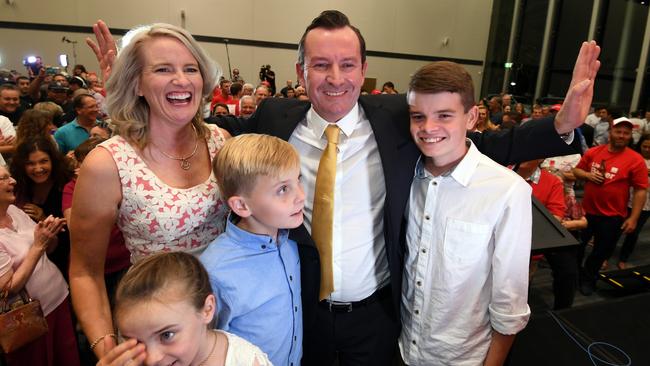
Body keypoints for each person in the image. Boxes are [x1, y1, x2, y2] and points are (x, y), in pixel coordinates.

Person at [89, 10, 601, 365]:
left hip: (378, 311)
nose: (335, 77)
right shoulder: (271, 117)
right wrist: (130, 94)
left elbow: (482, 140)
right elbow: (192, 136)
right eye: (321, 65)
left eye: (347, 64)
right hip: (299, 308)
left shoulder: (399, 117)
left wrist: (560, 124)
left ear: (364, 70)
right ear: (300, 71)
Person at [69, 21, 231, 359]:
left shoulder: (220, 141)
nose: (182, 80)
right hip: (158, 331)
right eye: (162, 69)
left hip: (229, 313)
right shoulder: (107, 163)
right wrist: (106, 347)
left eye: (191, 68)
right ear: (137, 83)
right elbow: (85, 271)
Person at [400, 61, 531, 365]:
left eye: (444, 115)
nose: (428, 128)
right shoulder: (405, 177)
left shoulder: (506, 190)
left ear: (471, 117)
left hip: (462, 357)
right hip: (404, 349)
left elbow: (509, 299)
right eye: (418, 116)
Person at [201, 134, 304, 366]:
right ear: (241, 205)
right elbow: (206, 347)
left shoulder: (292, 241)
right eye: (283, 189)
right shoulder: (216, 270)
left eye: (299, 180)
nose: (301, 196)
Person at [96, 252, 271, 366]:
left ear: (207, 309)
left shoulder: (245, 361)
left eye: (167, 335)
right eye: (135, 342)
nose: (151, 359)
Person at [0, 165, 81, 366]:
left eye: (10, 175)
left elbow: (47, 248)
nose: (13, 181)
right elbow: (7, 289)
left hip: (59, 298)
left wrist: (50, 233)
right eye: (3, 178)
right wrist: (38, 246)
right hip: (29, 318)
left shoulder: (14, 211)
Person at [573, 117, 648, 295]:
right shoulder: (593, 152)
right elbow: (577, 170)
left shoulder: (635, 160)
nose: (622, 135)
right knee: (577, 246)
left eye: (626, 133)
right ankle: (575, 274)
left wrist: (634, 218)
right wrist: (587, 175)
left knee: (601, 251)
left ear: (630, 136)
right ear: (610, 133)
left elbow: (640, 191)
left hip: (613, 216)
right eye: (618, 131)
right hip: (586, 212)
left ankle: (589, 277)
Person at [9, 137, 73, 279]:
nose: (38, 169)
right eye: (30, 164)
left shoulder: (66, 186)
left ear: (53, 161)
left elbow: (72, 232)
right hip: (31, 263)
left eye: (43, 161)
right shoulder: (18, 188)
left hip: (64, 260)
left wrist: (43, 218)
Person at [616, 134, 650, 269]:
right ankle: (604, 257)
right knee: (616, 231)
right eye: (644, 146)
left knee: (634, 233)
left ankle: (623, 258)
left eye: (649, 147)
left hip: (646, 205)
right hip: (626, 200)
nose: (647, 149)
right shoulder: (633, 158)